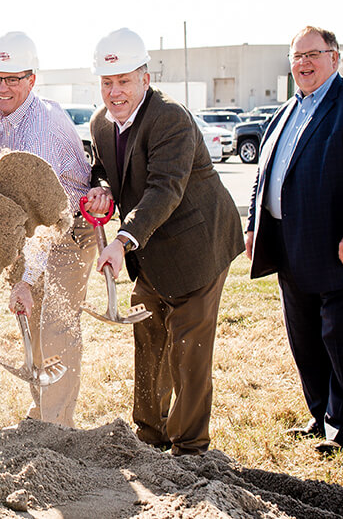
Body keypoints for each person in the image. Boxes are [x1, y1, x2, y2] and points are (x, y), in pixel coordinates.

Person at [84, 27, 243, 456]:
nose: (114, 92)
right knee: (149, 336)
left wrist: (123, 238)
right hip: (149, 249)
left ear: (145, 79)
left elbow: (164, 189)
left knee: (187, 348)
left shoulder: (171, 118)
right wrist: (99, 188)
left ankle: (190, 448)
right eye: (107, 83)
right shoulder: (101, 123)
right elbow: (103, 169)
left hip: (198, 246)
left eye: (124, 81)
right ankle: (150, 437)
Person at [246, 26, 343, 456]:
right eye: (297, 56)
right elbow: (265, 175)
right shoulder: (285, 113)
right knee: (307, 339)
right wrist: (255, 225)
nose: (303, 63)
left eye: (313, 54)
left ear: (335, 59)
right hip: (295, 250)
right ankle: (322, 417)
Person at [0, 31, 96, 428]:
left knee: (56, 326)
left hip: (69, 231)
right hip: (30, 232)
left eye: (13, 79)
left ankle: (56, 429)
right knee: (30, 321)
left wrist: (26, 279)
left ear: (32, 80)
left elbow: (48, 216)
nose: (3, 87)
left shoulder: (43, 128)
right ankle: (42, 411)